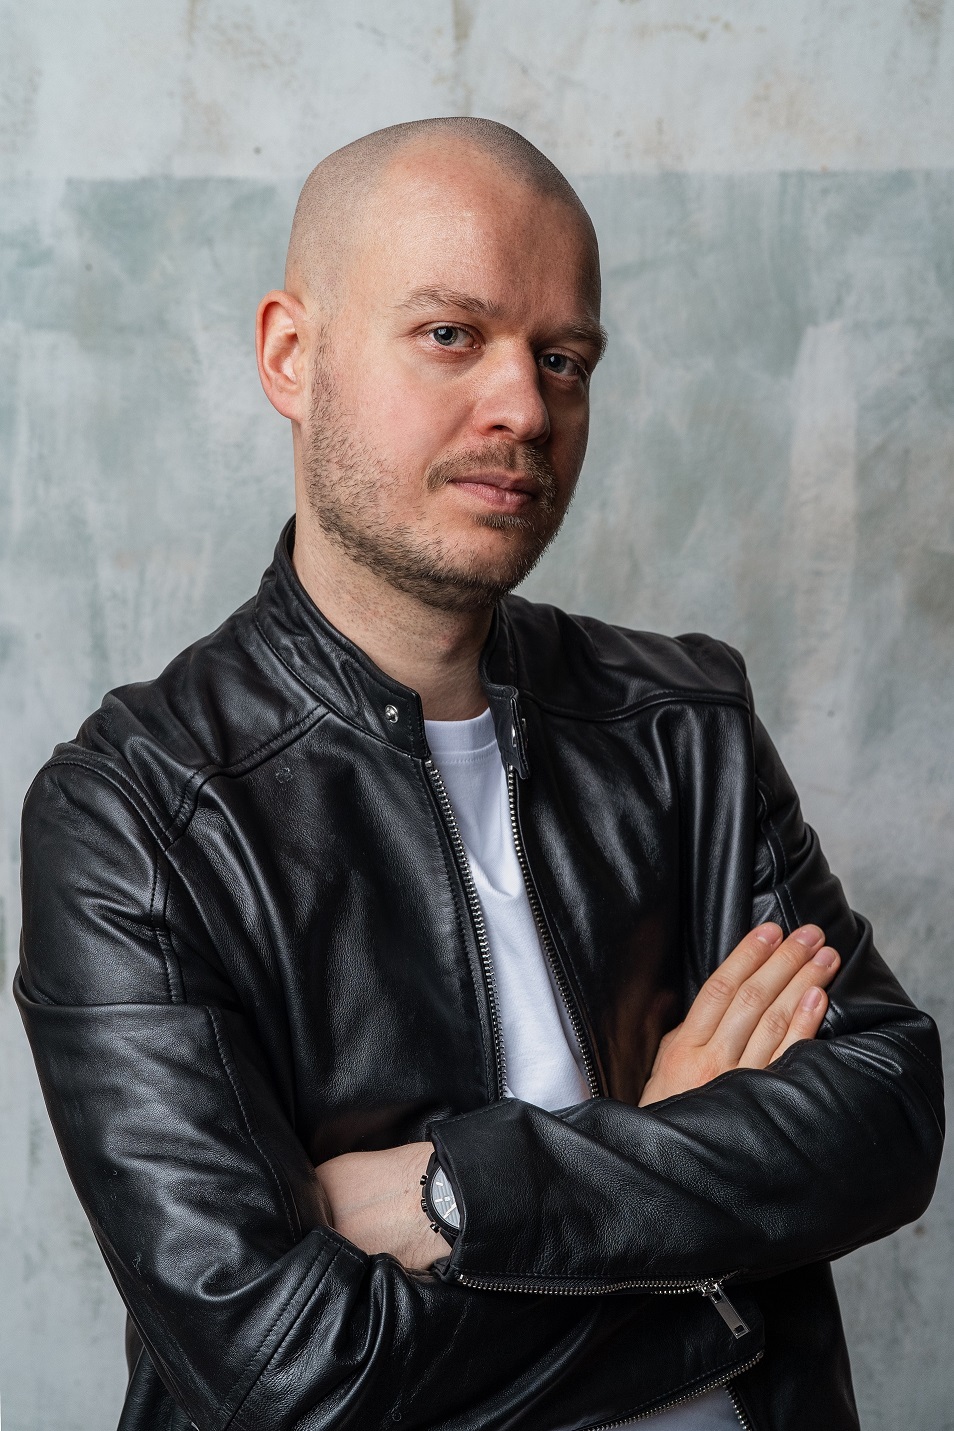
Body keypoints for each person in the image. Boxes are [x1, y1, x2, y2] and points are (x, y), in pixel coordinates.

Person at [16, 118, 942, 1431]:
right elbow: (285, 1372)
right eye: (451, 334)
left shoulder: (684, 726)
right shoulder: (140, 814)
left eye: (562, 359)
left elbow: (887, 1113)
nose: (524, 408)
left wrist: (462, 1194)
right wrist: (691, 1222)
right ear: (291, 356)